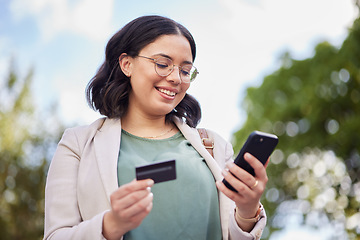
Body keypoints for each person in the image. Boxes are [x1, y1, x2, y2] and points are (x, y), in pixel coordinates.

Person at [44, 15, 268, 240]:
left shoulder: (214, 146)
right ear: (126, 64)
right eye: (162, 64)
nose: (176, 78)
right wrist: (110, 224)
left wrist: (248, 209)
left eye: (185, 70)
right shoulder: (78, 145)